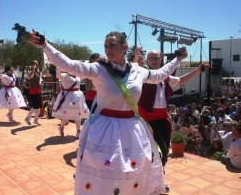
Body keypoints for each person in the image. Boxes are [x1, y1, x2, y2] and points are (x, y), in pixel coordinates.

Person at [28, 29, 188, 195]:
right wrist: (45, 46)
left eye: (112, 45)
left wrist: (177, 59)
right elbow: (69, 64)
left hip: (132, 131)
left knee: (133, 172)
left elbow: (160, 74)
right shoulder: (99, 69)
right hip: (105, 131)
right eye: (106, 46)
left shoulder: (138, 71)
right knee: (105, 175)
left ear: (124, 46)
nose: (108, 50)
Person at [135, 48, 209, 170]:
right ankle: (155, 176)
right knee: (161, 150)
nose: (154, 60)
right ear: (147, 61)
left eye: (156, 58)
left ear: (161, 59)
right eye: (151, 58)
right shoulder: (142, 74)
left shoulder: (165, 78)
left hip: (163, 118)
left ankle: (158, 175)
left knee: (163, 150)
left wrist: (197, 70)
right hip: (147, 119)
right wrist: (136, 58)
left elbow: (180, 81)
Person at [53, 68, 89, 137]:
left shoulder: (77, 75)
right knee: (67, 114)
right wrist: (60, 67)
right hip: (68, 97)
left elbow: (85, 74)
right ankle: (61, 127)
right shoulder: (65, 75)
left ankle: (78, 131)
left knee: (78, 114)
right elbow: (58, 75)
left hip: (77, 97)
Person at [24, 60, 46, 125]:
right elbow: (29, 76)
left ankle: (36, 119)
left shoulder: (37, 72)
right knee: (35, 106)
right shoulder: (32, 72)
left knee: (39, 106)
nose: (36, 65)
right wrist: (33, 70)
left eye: (37, 64)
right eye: (35, 64)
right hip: (33, 91)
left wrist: (46, 68)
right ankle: (27, 118)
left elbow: (42, 74)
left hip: (38, 91)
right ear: (32, 65)